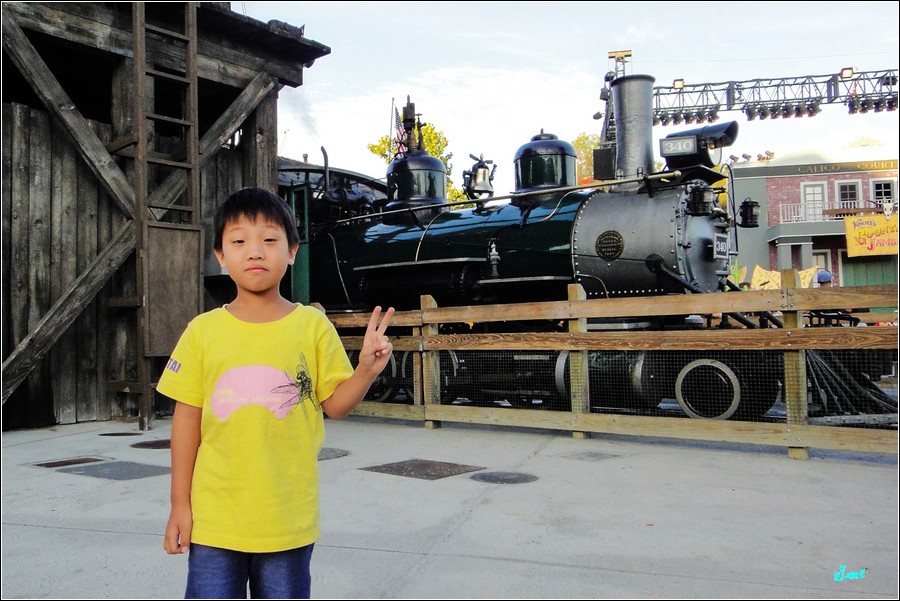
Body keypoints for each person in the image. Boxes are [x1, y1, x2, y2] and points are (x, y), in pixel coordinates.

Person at [158, 187, 394, 599]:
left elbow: (336, 406)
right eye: (239, 241)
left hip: (288, 519)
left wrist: (366, 371)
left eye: (269, 239)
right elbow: (186, 422)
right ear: (220, 256)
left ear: (292, 251)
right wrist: (180, 505)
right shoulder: (202, 332)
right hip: (215, 519)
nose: (255, 252)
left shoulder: (312, 327)